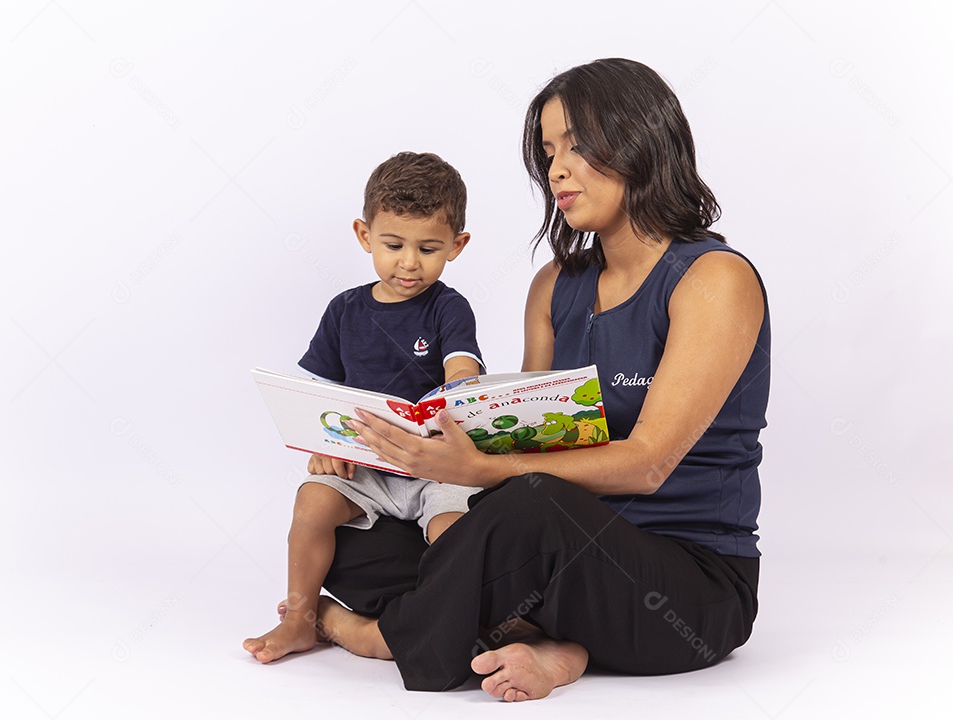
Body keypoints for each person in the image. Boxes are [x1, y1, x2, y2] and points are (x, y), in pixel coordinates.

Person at [313, 58, 770, 702]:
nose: (555, 169)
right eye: (549, 151)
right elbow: (530, 440)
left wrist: (481, 471)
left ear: (640, 143)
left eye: (578, 147)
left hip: (685, 585)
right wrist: (423, 450)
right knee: (345, 521)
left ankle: (387, 634)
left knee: (529, 503)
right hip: (553, 555)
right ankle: (552, 642)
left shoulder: (714, 281)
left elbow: (646, 465)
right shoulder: (554, 286)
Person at [243, 152, 486, 664]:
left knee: (454, 533)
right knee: (312, 502)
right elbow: (314, 398)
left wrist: (455, 394)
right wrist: (320, 448)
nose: (409, 263)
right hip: (365, 465)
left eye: (429, 248)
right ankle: (301, 620)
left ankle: (447, 623)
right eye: (393, 245)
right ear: (364, 235)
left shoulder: (449, 307)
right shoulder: (345, 310)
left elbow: (463, 371)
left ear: (457, 246)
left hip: (433, 468)